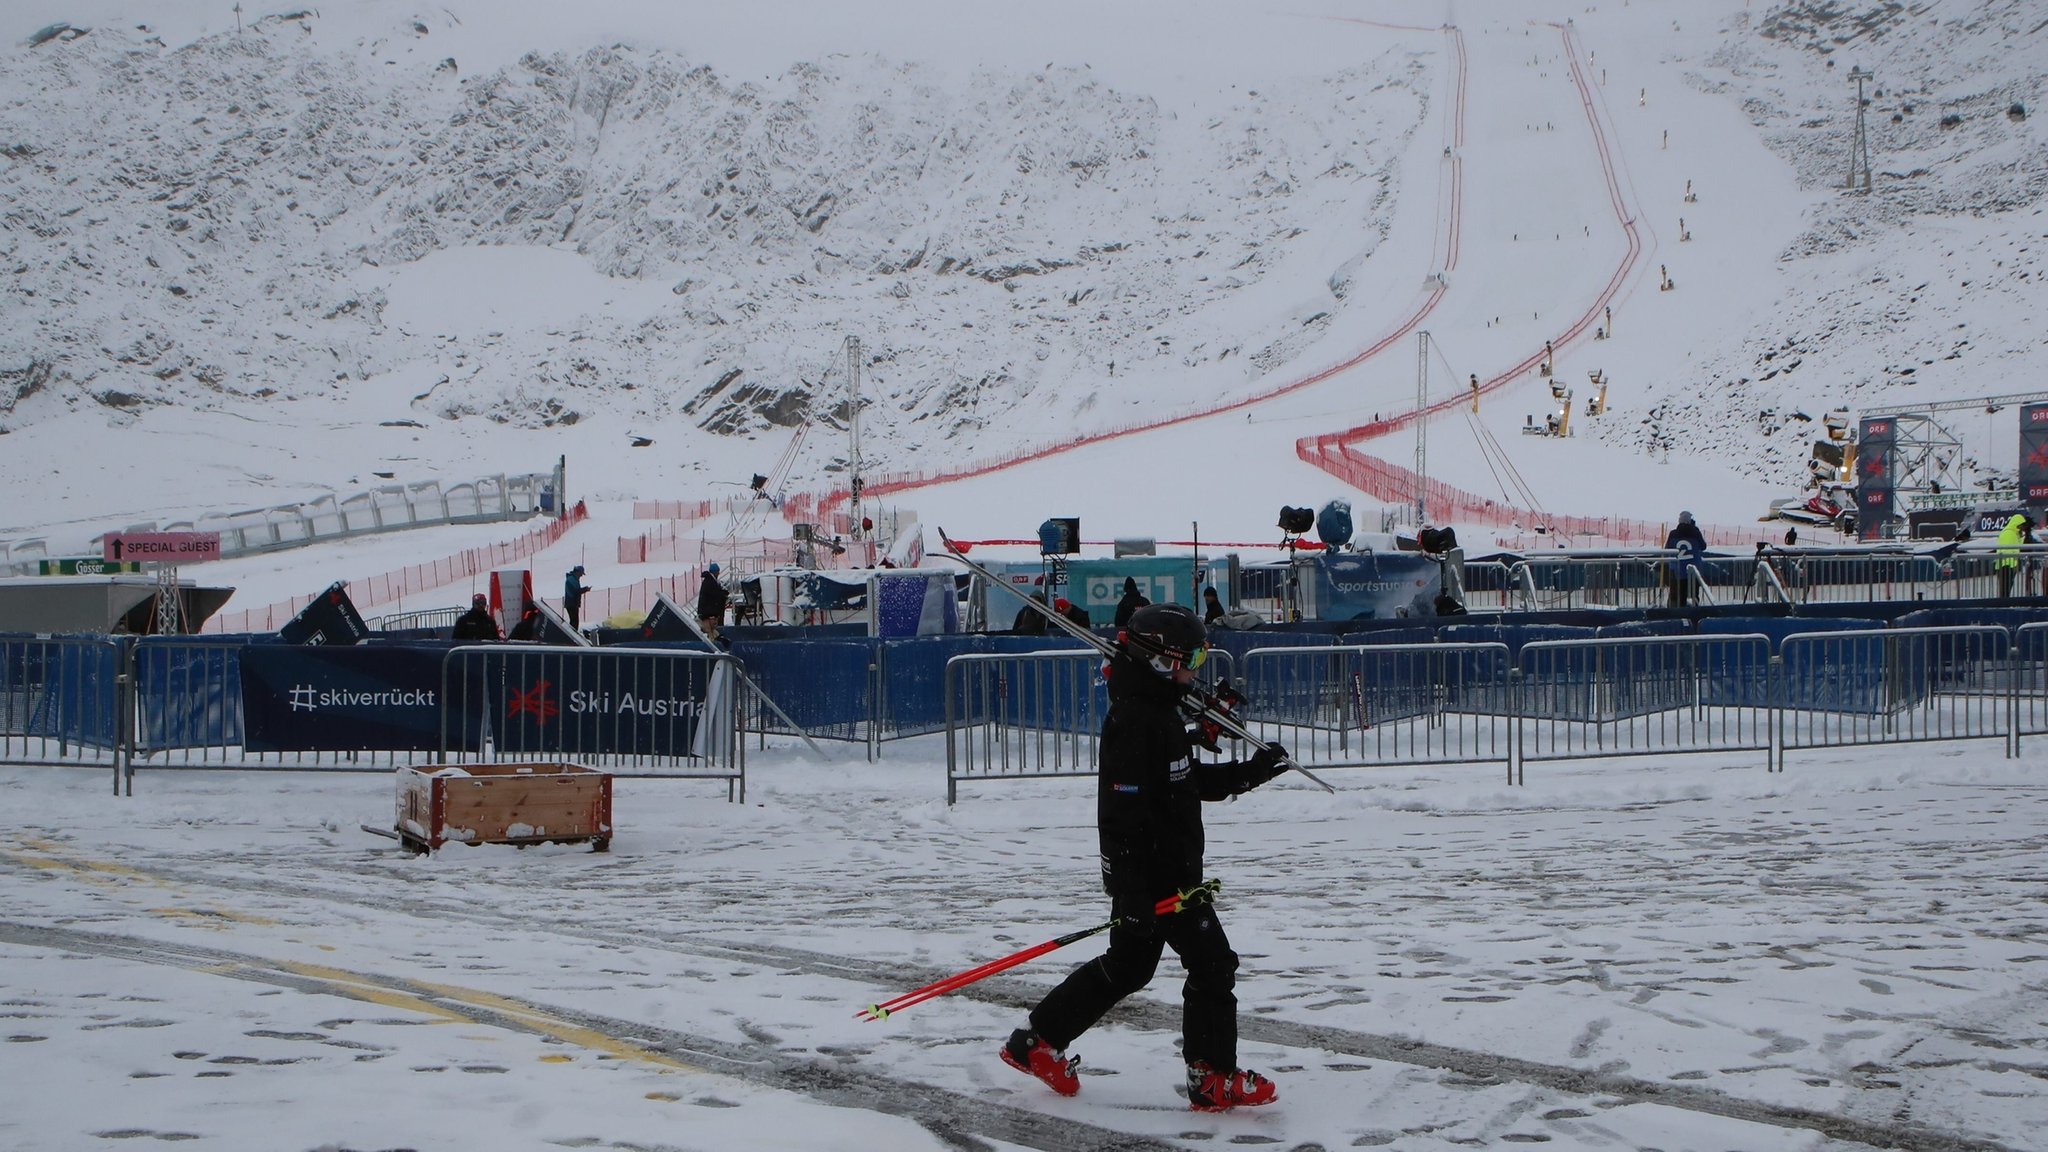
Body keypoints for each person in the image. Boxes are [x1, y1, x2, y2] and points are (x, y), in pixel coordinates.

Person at [1000, 603, 1290, 1112]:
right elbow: (1118, 818)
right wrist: (1130, 893)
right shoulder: (1137, 721)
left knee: (1130, 967)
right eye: (1191, 659)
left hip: (1170, 870)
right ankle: (1212, 1077)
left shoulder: (1158, 714)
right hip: (1156, 876)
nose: (1196, 670)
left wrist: (1252, 773)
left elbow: (1187, 782)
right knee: (1213, 965)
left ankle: (1036, 1042)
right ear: (1160, 660)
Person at [1665, 510, 1707, 607]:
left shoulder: (1673, 534)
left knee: (1677, 596)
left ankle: (1677, 615)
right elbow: (1703, 546)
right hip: (1693, 570)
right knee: (1694, 595)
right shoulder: (1695, 532)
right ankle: (1694, 614)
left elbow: (1667, 549)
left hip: (1677, 570)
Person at [1996, 512, 2032, 599]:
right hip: (2005, 565)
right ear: (2017, 524)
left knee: (2006, 588)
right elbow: (2009, 550)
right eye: (2022, 525)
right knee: (2005, 588)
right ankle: (2003, 604)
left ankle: (2004, 603)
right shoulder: (2009, 533)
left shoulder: (2013, 533)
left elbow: (2016, 547)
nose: (2023, 528)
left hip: (2009, 564)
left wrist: (2022, 537)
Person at [697, 562, 729, 638]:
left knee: (712, 632)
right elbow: (715, 595)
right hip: (709, 613)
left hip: (707, 613)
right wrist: (723, 594)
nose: (719, 573)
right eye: (718, 572)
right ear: (715, 572)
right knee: (710, 633)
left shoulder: (708, 581)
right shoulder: (710, 582)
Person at [563, 565, 589, 631]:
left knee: (574, 621)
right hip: (571, 603)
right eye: (581, 574)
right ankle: (572, 636)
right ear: (577, 572)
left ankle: (573, 635)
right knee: (574, 622)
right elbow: (576, 591)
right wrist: (585, 589)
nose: (581, 576)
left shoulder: (573, 579)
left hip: (572, 603)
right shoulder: (572, 579)